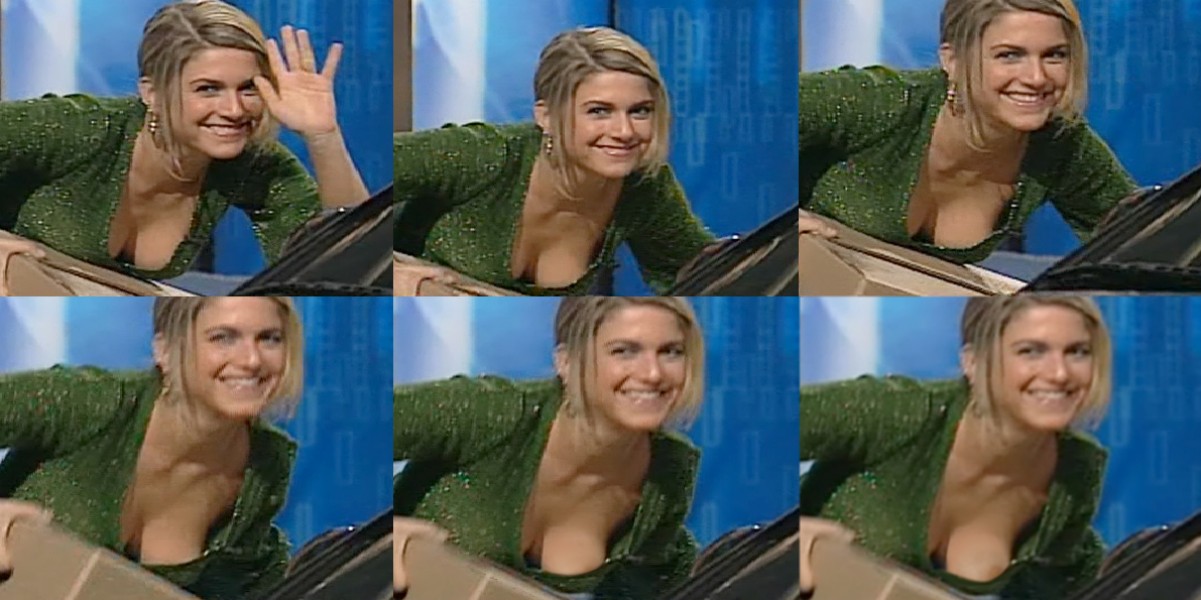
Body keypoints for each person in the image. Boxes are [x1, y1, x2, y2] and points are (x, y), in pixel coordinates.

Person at [0, 0, 370, 294]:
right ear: (152, 93)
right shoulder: (82, 128)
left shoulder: (255, 165)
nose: (234, 110)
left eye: (248, 88)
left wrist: (324, 136)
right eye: (208, 88)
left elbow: (350, 271)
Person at [799, 295, 1112, 598]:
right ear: (973, 362)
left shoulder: (1076, 471)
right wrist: (784, 536)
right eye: (1030, 351)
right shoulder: (901, 412)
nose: (1059, 373)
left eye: (1077, 352)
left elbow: (1065, 577)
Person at [392, 297, 704, 598]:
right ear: (566, 362)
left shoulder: (669, 471)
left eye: (670, 352)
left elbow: (656, 577)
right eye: (623, 351)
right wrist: (379, 536)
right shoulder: (494, 412)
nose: (653, 373)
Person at [0, 297, 304, 599]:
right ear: (165, 350)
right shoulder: (95, 402)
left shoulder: (265, 464)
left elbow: (247, 577)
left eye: (269, 338)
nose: (252, 360)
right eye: (223, 338)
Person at [798, 0, 1135, 264]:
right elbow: (764, 111)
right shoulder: (881, 102)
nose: (1036, 77)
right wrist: (771, 218)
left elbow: (1144, 242)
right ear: (953, 60)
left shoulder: (1061, 145)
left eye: (1054, 55)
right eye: (1009, 55)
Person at [393, 27, 716, 296]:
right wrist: (392, 272)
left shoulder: (643, 185)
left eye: (639, 111)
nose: (624, 131)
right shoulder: (485, 154)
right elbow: (368, 185)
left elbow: (703, 275)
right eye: (599, 111)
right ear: (546, 115)